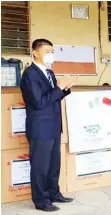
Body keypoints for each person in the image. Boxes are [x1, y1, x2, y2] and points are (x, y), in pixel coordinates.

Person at [20, 39, 76, 212]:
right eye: (46, 50)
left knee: (53, 164)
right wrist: (58, 88)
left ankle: (53, 193)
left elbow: (53, 97)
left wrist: (65, 89)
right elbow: (38, 102)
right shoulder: (30, 74)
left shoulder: (50, 73)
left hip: (53, 126)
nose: (50, 54)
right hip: (40, 127)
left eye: (52, 51)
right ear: (35, 52)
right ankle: (40, 200)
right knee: (40, 166)